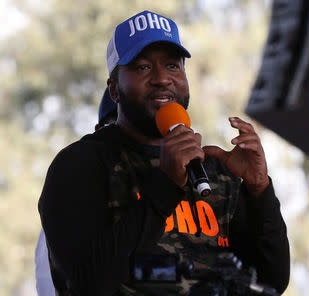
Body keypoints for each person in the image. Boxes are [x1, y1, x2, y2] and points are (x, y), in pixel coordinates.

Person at [38, 10, 289, 296]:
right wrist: (166, 186)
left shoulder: (213, 170)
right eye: (143, 67)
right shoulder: (80, 164)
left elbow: (271, 280)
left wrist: (259, 191)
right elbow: (85, 284)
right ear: (115, 90)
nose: (162, 79)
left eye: (172, 66)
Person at [35, 88, 117, 296]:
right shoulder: (75, 188)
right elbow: (49, 286)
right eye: (117, 124)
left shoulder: (189, 178)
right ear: (100, 130)